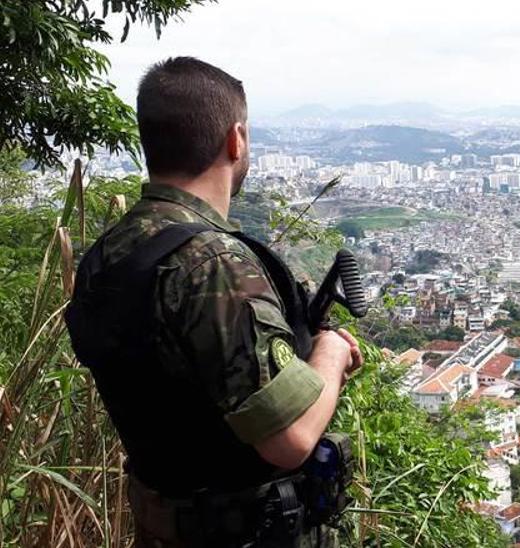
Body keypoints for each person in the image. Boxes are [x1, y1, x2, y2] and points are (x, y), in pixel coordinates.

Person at [65, 57, 361, 547]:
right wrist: (328, 355)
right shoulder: (212, 262)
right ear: (236, 139)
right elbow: (290, 439)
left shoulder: (109, 250)